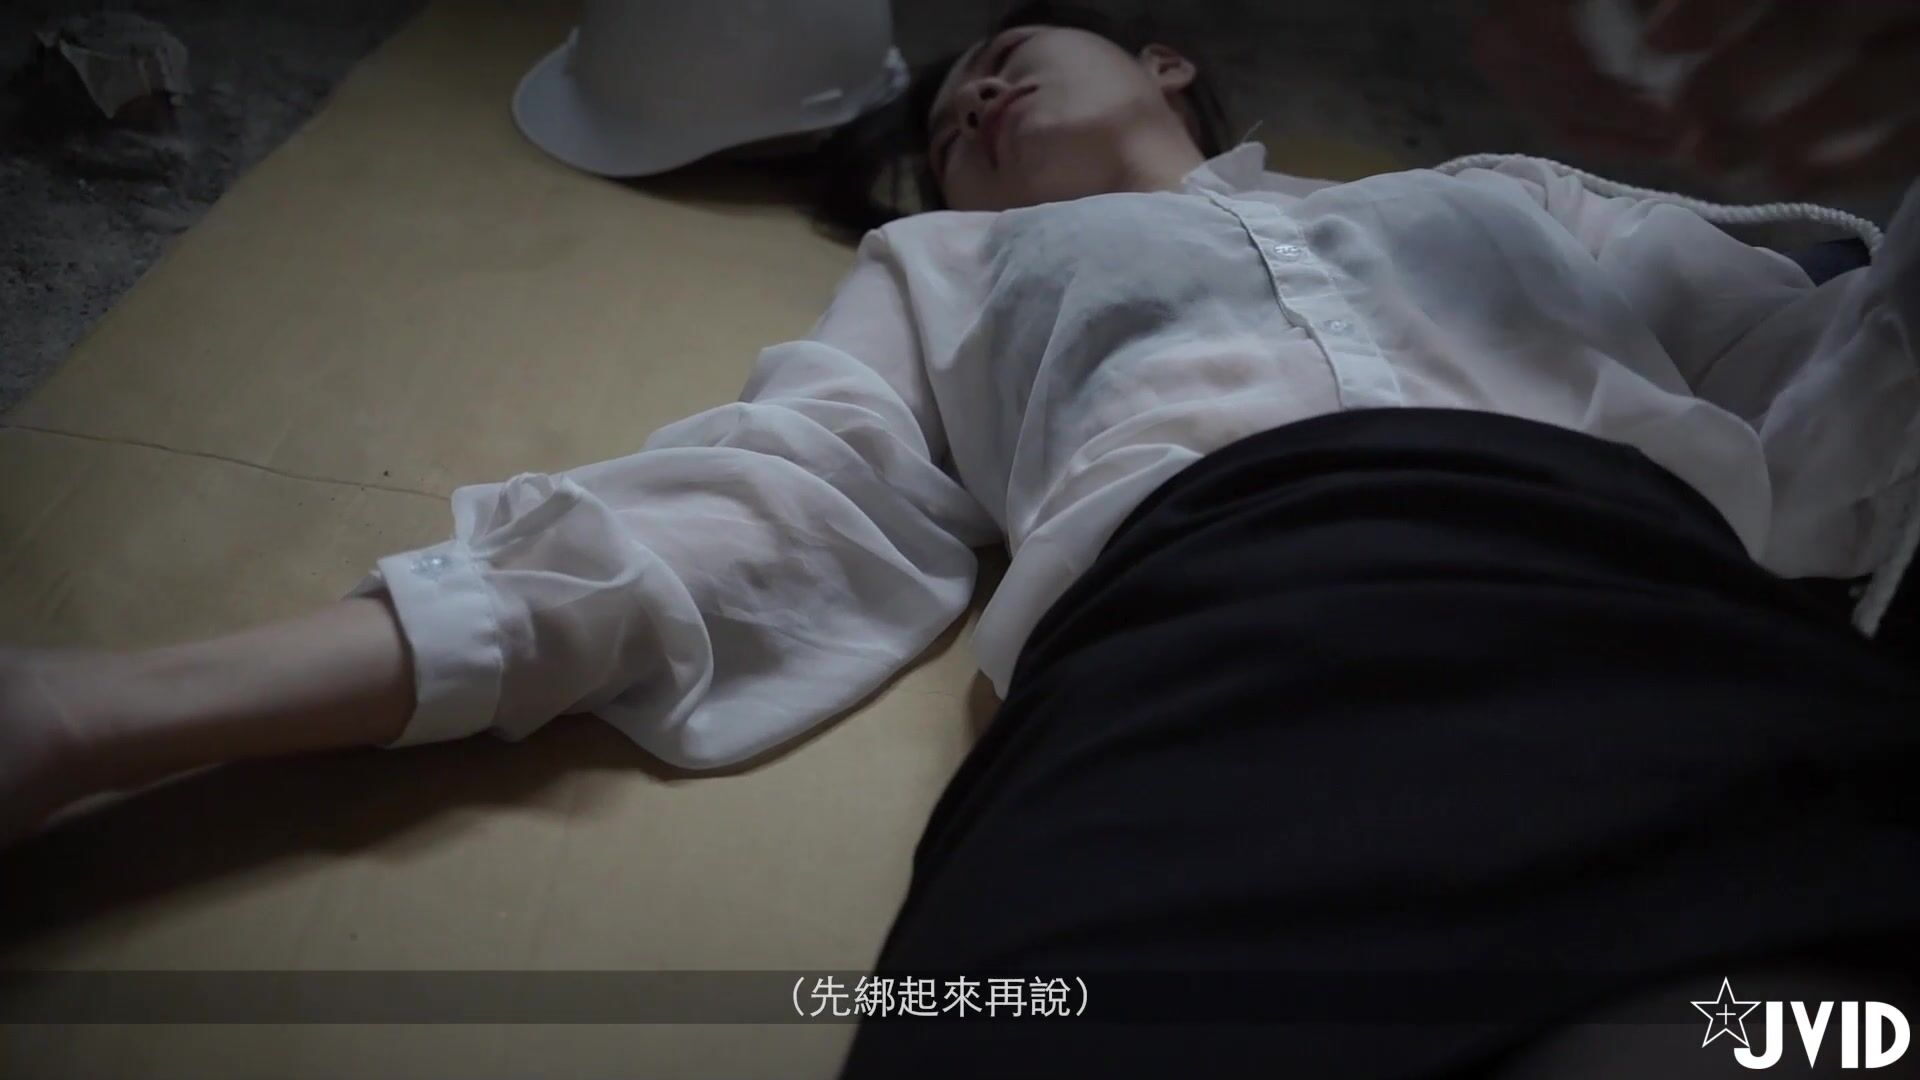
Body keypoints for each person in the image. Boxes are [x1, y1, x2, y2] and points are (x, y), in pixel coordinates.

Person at [4, 1, 1919, 1073]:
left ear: (1169, 59)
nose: (973, 95)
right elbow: (764, 510)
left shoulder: (1504, 195)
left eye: (1010, 45)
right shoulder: (952, 268)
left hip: (1665, 629)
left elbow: (1845, 390)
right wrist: (94, 719)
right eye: (940, 126)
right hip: (1227, 658)